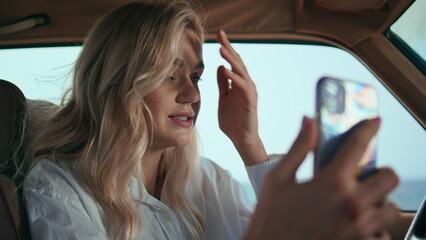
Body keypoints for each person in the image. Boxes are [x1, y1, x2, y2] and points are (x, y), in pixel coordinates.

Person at [23, 1, 403, 240]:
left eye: (197, 76)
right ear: (118, 80)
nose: (192, 95)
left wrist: (248, 144)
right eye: (170, 74)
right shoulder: (59, 188)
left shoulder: (206, 179)